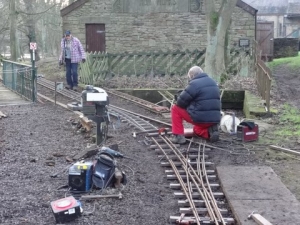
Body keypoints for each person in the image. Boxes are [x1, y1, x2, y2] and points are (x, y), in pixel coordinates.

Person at [171, 66, 221, 144]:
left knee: (175, 108)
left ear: (192, 75)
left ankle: (178, 136)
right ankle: (209, 132)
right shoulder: (214, 82)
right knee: (196, 130)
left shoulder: (194, 84)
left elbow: (180, 103)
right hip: (214, 119)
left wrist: (180, 96)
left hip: (200, 119)